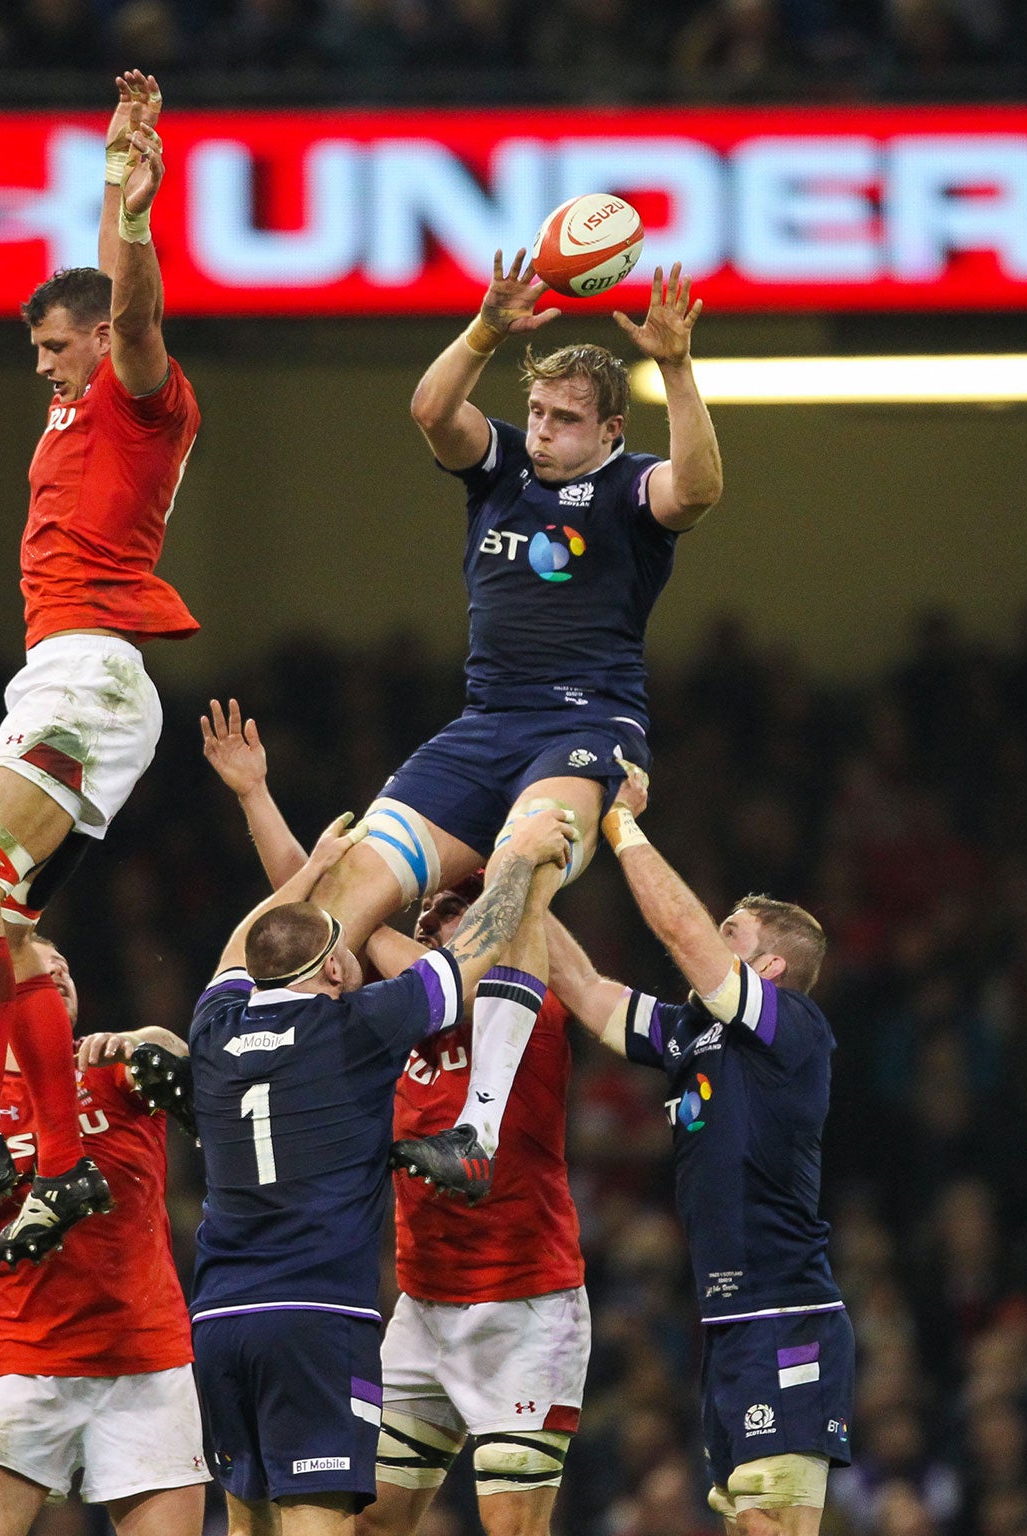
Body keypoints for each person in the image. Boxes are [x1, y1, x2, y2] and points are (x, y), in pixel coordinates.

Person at [0, 71, 202, 1266]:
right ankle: (59, 1164)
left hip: (93, 675)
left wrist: (133, 205)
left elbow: (136, 309)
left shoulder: (137, 396)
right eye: (37, 347)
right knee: (6, 934)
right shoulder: (72, 412)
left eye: (56, 345)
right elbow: (96, 302)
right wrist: (110, 167)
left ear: (104, 340)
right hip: (58, 678)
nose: (41, 365)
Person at [308, 256, 725, 1198]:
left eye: (565, 419)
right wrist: (486, 328)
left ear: (612, 430)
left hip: (584, 729)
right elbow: (429, 412)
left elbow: (697, 491)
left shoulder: (631, 491)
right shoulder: (498, 467)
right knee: (344, 891)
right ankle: (299, 1066)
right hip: (483, 727)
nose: (541, 432)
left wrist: (681, 370)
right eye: (536, 413)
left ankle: (477, 1130)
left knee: (524, 859)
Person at [200, 699, 589, 1536]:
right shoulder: (364, 1022)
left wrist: (519, 877)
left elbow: (303, 935)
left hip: (524, 1300)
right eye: (425, 914)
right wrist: (262, 806)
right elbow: (315, 929)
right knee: (363, 1525)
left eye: (449, 910)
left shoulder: (528, 1004)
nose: (426, 917)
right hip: (419, 1300)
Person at [544, 764, 850, 1536]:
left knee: (770, 1527)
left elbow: (680, 927)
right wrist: (515, 879)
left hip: (788, 1314)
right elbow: (583, 988)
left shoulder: (791, 1026)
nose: (711, 938)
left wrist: (620, 824)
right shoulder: (696, 1032)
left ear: (769, 968)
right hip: (727, 1324)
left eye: (732, 935)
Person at [0, 935, 208, 1536]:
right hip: (24, 1358)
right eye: (40, 968)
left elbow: (174, 1051)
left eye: (64, 965)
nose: (57, 970)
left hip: (145, 1359)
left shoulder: (109, 1064)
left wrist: (140, 1040)